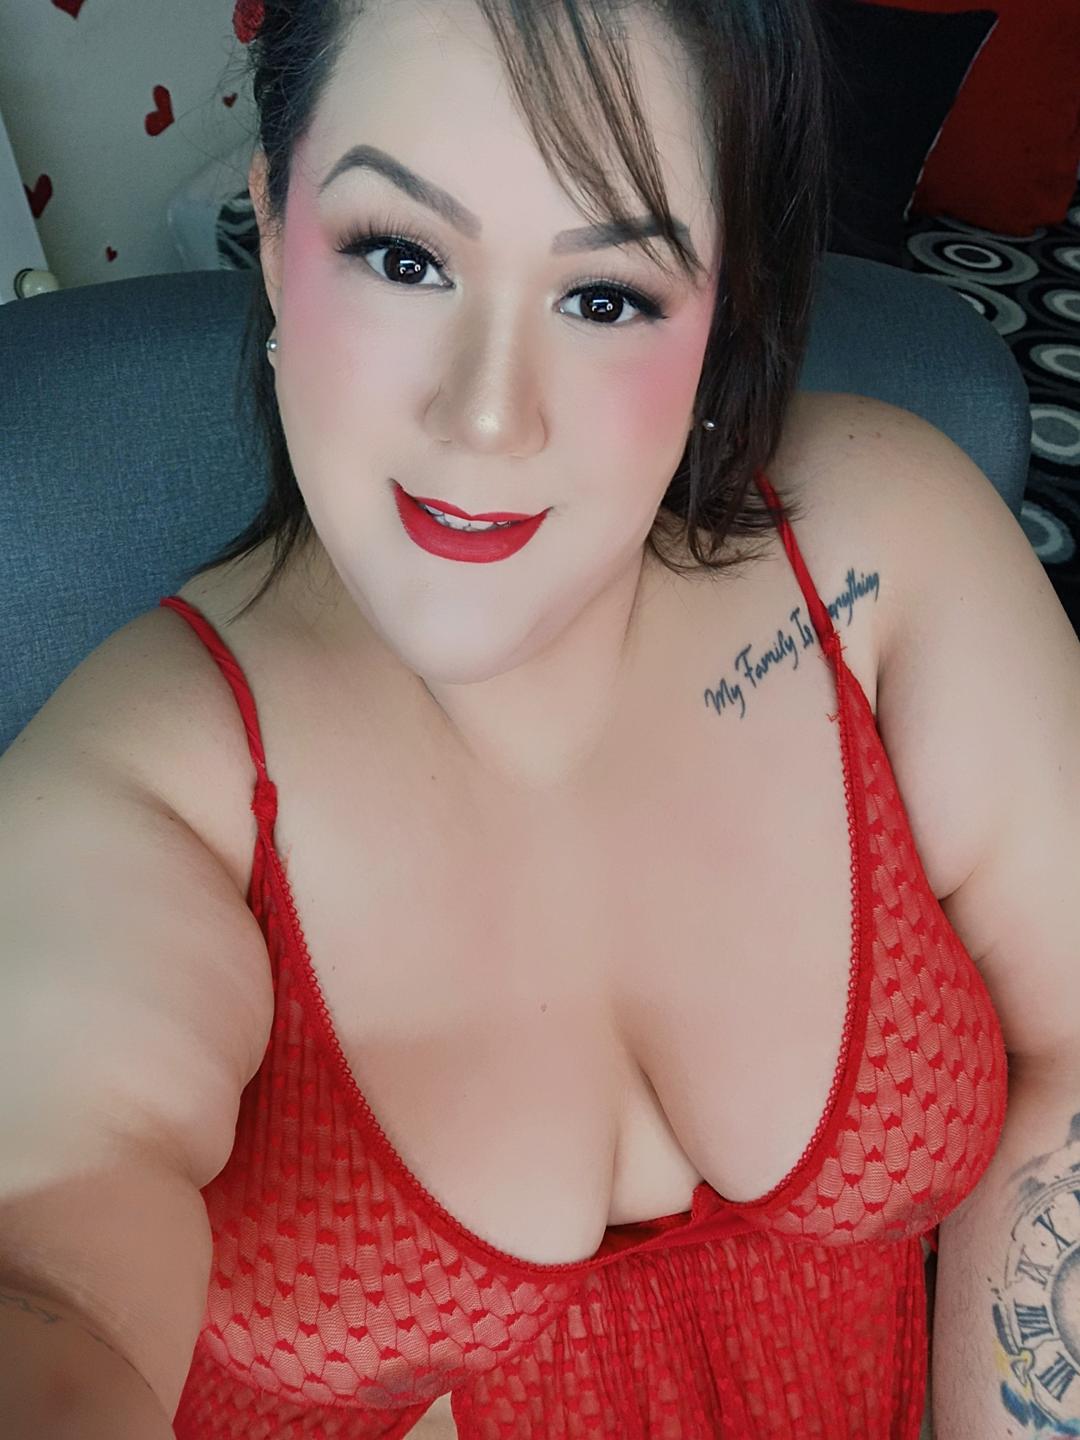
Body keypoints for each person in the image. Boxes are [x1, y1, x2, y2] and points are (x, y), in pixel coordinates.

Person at [3, 0, 1079, 1437]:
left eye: (606, 295)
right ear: (272, 228)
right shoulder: (133, 797)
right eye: (403, 257)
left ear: (727, 300)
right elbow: (48, 1260)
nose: (488, 420)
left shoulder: (882, 558)